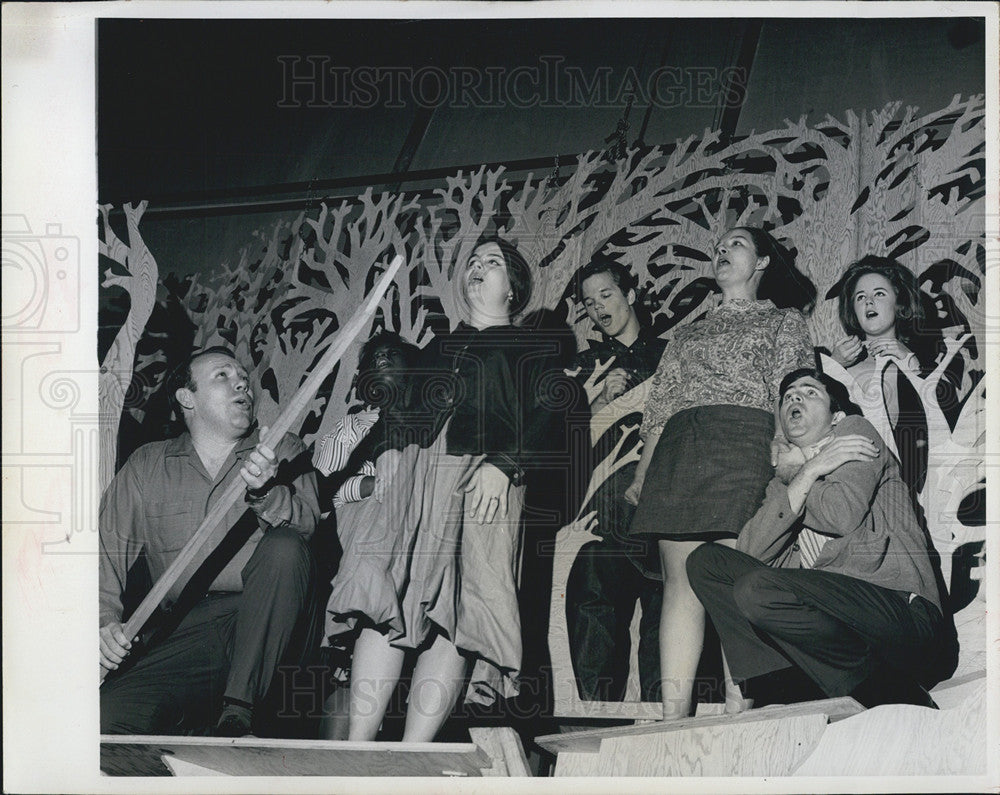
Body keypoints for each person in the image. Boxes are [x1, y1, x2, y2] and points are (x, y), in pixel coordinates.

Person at [324, 236, 559, 742]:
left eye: (492, 262)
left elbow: (550, 413)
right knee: (383, 597)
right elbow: (396, 410)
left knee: (456, 613)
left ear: (513, 288)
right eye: (473, 261)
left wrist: (505, 463)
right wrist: (386, 454)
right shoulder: (435, 346)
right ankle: (359, 755)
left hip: (484, 480)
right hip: (413, 476)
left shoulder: (534, 349)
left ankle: (413, 757)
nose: (478, 266)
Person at [625, 225, 817, 720]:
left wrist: (787, 448)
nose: (722, 250)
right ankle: (673, 718)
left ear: (762, 263)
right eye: (719, 245)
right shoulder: (686, 332)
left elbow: (791, 386)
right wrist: (644, 473)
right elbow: (661, 406)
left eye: (736, 244)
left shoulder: (785, 321)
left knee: (734, 579)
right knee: (681, 585)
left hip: (746, 444)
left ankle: (739, 713)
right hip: (679, 451)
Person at [686, 368, 952, 710]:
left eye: (810, 392)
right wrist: (805, 471)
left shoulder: (854, 433)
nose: (794, 397)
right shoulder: (785, 482)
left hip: (900, 615)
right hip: (836, 627)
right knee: (707, 562)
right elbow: (751, 552)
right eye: (787, 397)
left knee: (757, 589)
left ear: (836, 415)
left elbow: (842, 514)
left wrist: (804, 469)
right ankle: (781, 683)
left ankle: (891, 691)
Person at [99, 347, 320, 736]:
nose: (242, 382)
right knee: (109, 720)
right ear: (188, 398)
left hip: (271, 622)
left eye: (242, 376)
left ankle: (239, 712)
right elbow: (104, 556)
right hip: (187, 630)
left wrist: (268, 491)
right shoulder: (147, 465)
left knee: (284, 547)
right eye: (222, 375)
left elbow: (308, 530)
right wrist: (104, 625)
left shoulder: (282, 450)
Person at [312, 330, 424, 740]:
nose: (381, 368)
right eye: (373, 362)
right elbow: (323, 490)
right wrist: (369, 487)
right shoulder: (352, 426)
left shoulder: (423, 423)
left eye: (391, 359)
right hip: (353, 529)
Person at [565, 257, 664, 702]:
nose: (598, 307)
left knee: (667, 610)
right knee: (592, 589)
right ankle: (594, 719)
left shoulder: (671, 353)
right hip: (602, 507)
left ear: (631, 294)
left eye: (606, 294)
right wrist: (599, 400)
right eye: (589, 302)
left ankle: (668, 725)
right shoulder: (582, 367)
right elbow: (563, 443)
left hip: (663, 503)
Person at [830, 255, 932, 498]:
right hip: (849, 486)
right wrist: (832, 368)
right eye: (860, 297)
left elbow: (937, 424)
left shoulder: (922, 366)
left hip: (908, 490)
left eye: (879, 294)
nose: (869, 302)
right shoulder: (837, 364)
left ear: (899, 304)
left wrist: (911, 364)